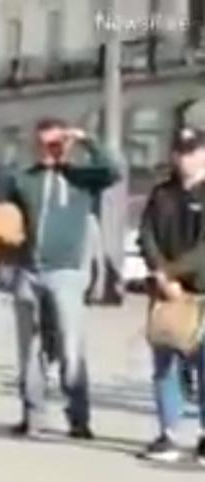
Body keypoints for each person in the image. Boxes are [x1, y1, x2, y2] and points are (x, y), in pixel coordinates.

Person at [3, 118, 120, 439]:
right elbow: (5, 212)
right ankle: (33, 414)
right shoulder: (25, 180)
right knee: (30, 348)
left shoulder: (82, 178)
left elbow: (113, 170)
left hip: (66, 271)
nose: (48, 151)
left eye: (55, 144)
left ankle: (78, 417)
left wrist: (85, 141)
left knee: (70, 346)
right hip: (29, 270)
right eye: (43, 144)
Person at [137, 127, 205, 462]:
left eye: (192, 151)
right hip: (166, 293)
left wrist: (170, 272)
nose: (184, 158)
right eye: (180, 151)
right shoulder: (162, 193)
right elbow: (146, 235)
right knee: (164, 364)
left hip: (200, 292)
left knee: (204, 365)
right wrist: (160, 273)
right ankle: (169, 434)